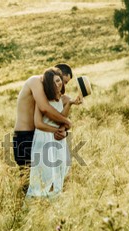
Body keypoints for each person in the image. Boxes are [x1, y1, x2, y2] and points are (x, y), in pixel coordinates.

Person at [26, 67, 80, 197]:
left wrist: (69, 104)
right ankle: (38, 201)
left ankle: (54, 202)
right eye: (55, 82)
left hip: (58, 139)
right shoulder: (42, 100)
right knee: (45, 172)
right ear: (49, 84)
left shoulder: (64, 98)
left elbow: (62, 120)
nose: (59, 83)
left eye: (60, 80)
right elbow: (38, 123)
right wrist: (57, 130)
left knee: (59, 168)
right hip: (44, 137)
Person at [13, 63, 74, 169]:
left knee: (44, 177)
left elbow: (54, 115)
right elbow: (44, 108)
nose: (62, 85)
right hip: (25, 136)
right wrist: (67, 122)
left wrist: (62, 128)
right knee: (27, 177)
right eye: (63, 81)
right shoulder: (35, 81)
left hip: (41, 136)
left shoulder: (49, 92)